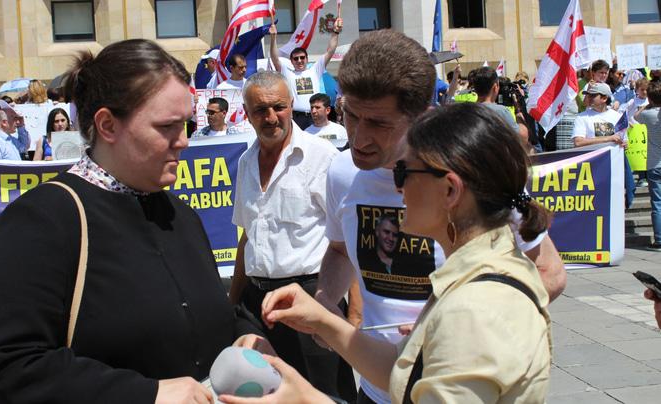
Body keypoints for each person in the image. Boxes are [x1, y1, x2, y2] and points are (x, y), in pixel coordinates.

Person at [0, 39, 269, 403]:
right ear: (108, 125)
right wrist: (145, 394)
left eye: (187, 124)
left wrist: (243, 335)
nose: (183, 141)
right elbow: (2, 362)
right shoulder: (44, 219)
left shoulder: (180, 214)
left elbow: (201, 312)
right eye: (167, 127)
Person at [219, 103, 552, 404]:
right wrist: (324, 321)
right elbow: (400, 373)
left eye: (404, 172)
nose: (396, 186)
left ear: (450, 190)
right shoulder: (475, 274)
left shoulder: (472, 311)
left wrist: (305, 399)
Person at [311, 31, 564, 404]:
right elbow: (339, 250)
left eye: (379, 123)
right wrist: (324, 302)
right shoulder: (341, 171)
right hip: (380, 383)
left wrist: (449, 328)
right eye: (350, 115)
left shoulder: (472, 173)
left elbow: (549, 273)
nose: (359, 138)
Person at [228, 70, 354, 401]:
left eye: (279, 107)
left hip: (312, 300)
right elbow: (247, 237)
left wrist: (351, 317)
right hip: (256, 306)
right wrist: (232, 305)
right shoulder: (245, 162)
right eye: (260, 110)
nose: (271, 117)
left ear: (292, 104)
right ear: (247, 113)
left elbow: (347, 240)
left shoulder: (323, 157)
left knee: (324, 397)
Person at [268, 17, 342, 130]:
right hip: (296, 118)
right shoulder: (287, 72)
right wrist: (273, 37)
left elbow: (330, 51)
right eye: (296, 58)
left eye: (302, 58)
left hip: (315, 116)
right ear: (291, 61)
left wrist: (335, 32)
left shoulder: (315, 70)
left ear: (307, 59)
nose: (299, 61)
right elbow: (274, 58)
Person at [572, 82, 636, 208]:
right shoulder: (582, 117)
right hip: (592, 169)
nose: (589, 98)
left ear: (604, 98)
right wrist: (609, 138)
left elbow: (624, 142)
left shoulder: (617, 116)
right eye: (588, 95)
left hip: (614, 168)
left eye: (593, 95)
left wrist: (624, 143)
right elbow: (578, 142)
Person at [635, 80, 661, 251]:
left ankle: (659, 239)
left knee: (657, 203)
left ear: (650, 98)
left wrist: (647, 104)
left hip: (654, 164)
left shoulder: (648, 114)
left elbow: (636, 115)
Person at [468, 66, 520, 134]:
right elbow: (522, 137)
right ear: (495, 87)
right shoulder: (502, 112)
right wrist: (518, 110)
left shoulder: (467, 111)